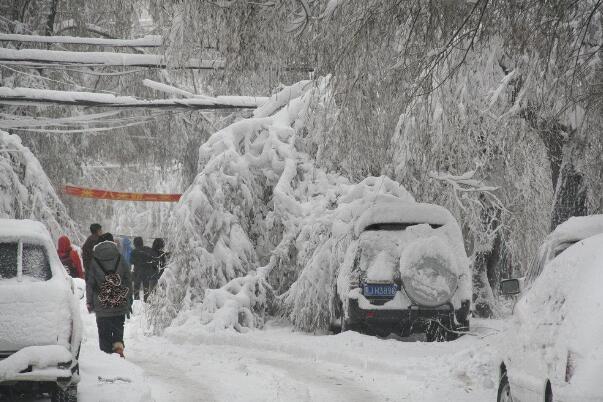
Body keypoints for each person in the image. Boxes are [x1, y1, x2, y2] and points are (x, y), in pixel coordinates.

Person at [86, 232, 132, 357]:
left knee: (104, 331)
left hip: (101, 304)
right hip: (119, 302)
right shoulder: (120, 258)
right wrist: (128, 297)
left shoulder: (94, 261)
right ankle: (118, 348)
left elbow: (90, 283)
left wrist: (89, 302)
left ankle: (106, 357)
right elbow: (128, 279)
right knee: (118, 328)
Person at [130, 237, 156, 302]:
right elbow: (152, 258)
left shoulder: (134, 251)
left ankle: (136, 300)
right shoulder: (148, 249)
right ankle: (146, 300)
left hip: (137, 272)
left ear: (135, 243)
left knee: (136, 287)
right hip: (147, 271)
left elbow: (131, 261)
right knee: (146, 287)